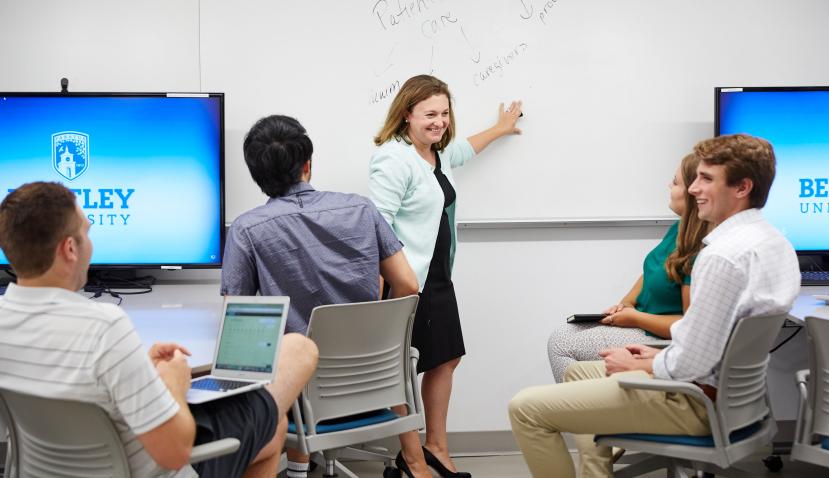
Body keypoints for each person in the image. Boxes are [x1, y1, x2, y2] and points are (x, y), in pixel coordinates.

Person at [508, 134, 801, 478]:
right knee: (575, 373)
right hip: (736, 401)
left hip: (693, 402)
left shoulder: (721, 256)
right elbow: (711, 340)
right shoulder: (774, 244)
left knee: (525, 409)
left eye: (706, 179)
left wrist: (649, 363)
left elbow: (691, 362)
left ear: (742, 188)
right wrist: (652, 357)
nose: (693, 189)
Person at [0, 181, 319, 478]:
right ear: (70, 249)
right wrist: (174, 384)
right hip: (154, 468)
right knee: (290, 377)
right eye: (88, 233)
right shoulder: (105, 326)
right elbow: (175, 453)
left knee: (270, 424)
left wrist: (139, 368)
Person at [221, 114, 420, 478]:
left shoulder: (247, 230)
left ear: (257, 176)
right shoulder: (361, 209)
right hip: (373, 378)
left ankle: (297, 469)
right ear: (307, 164)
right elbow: (407, 285)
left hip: (302, 394)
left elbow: (239, 323)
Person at [370, 74, 522, 478]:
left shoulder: (435, 153)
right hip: (407, 283)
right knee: (400, 371)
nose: (439, 121)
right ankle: (413, 459)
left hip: (438, 278)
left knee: (446, 358)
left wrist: (502, 128)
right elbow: (378, 228)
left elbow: (463, 150)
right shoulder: (393, 157)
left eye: (444, 112)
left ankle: (435, 445)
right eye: (429, 114)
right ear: (406, 115)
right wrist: (386, 291)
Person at [547, 153, 709, 382]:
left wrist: (635, 318)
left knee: (561, 344)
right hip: (640, 320)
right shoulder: (679, 229)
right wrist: (625, 304)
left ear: (693, 193)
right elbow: (653, 270)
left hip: (656, 335)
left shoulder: (701, 248)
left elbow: (688, 327)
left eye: (675, 182)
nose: (668, 186)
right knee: (566, 333)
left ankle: (582, 409)